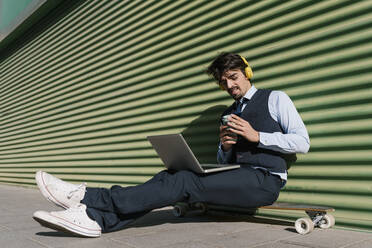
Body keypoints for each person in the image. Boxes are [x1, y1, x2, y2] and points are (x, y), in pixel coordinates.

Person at [32, 52, 310, 237]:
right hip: (238, 177)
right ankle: (96, 220)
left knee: (185, 183)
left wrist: (257, 136)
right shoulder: (230, 113)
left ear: (247, 72)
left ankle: (87, 197)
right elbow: (227, 164)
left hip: (265, 181)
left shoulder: (276, 99)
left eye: (233, 77)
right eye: (223, 82)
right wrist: (225, 148)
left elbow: (302, 142)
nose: (229, 85)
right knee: (172, 176)